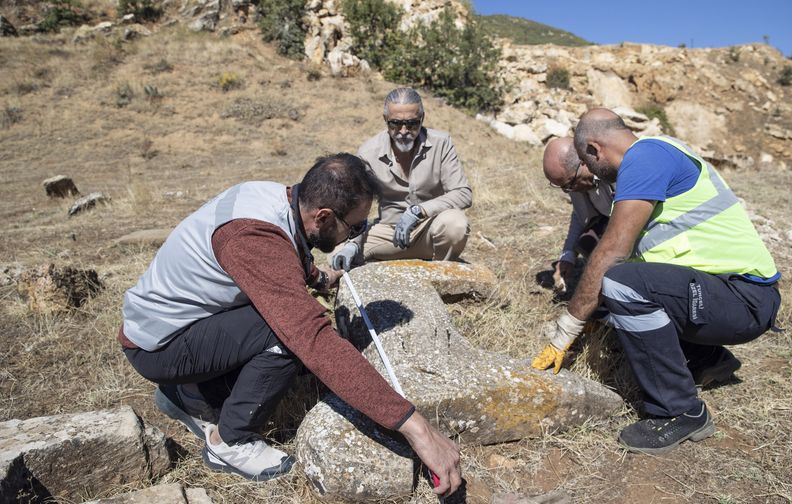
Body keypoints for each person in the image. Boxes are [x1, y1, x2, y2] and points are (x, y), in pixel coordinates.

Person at [118, 153, 462, 495]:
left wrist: (317, 275)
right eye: (355, 227)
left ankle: (191, 395)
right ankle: (228, 441)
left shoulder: (276, 198)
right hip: (160, 348)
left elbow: (281, 252)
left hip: (165, 328)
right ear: (324, 216)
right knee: (285, 335)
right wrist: (417, 428)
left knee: (282, 321)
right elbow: (311, 338)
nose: (357, 234)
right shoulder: (250, 237)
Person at [531, 109, 781, 455]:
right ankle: (707, 359)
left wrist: (566, 331)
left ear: (593, 150)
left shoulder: (646, 158)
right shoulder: (648, 157)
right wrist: (593, 310)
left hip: (744, 298)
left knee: (619, 282)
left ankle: (680, 411)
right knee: (614, 301)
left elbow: (612, 252)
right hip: (726, 294)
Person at [330, 88, 472, 271]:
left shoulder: (441, 143)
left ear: (422, 118)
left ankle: (441, 274)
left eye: (412, 124)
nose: (403, 131)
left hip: (429, 230)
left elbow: (463, 193)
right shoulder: (368, 152)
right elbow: (358, 206)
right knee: (337, 253)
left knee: (456, 224)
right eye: (395, 124)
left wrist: (419, 211)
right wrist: (353, 244)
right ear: (385, 120)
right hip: (388, 233)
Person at [542, 137, 614, 292]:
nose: (567, 191)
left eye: (568, 185)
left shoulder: (613, 171)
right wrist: (568, 256)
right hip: (608, 223)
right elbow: (579, 215)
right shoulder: (575, 181)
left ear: (583, 162)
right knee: (586, 242)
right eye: (561, 186)